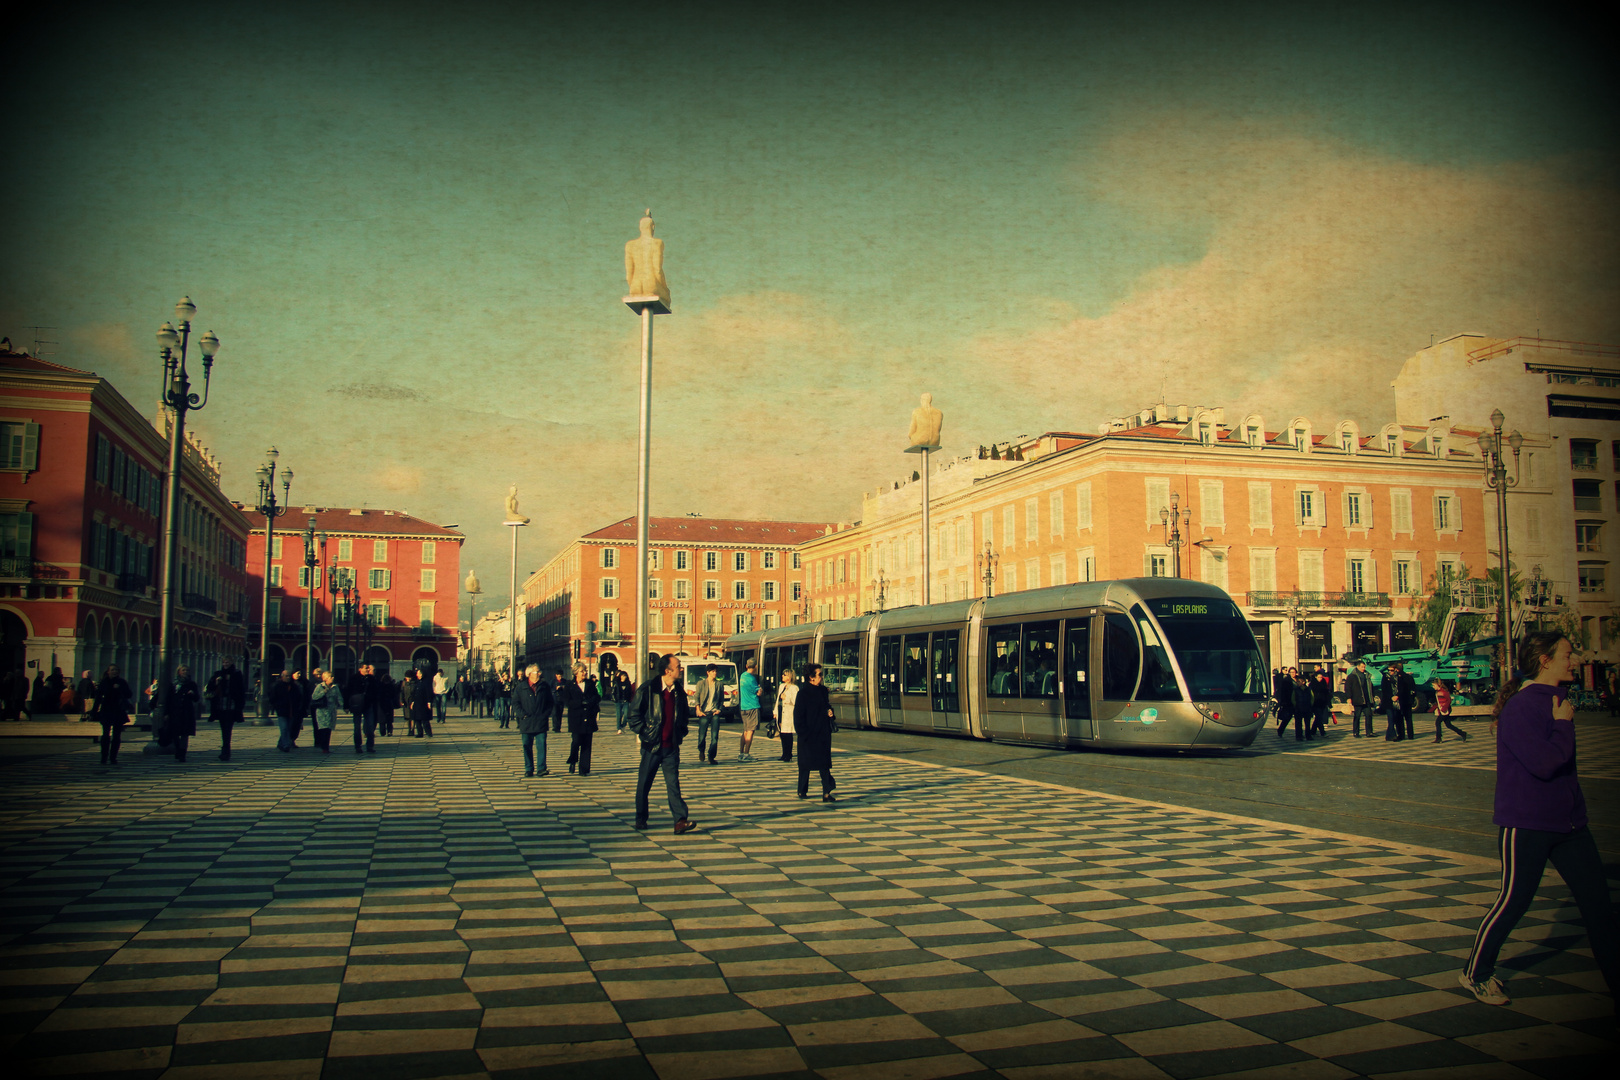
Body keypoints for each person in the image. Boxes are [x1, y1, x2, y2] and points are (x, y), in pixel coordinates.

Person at [1460, 631, 1619, 1011]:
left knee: (1600, 909)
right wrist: (1563, 725)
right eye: (1567, 653)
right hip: (1527, 824)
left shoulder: (1557, 700)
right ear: (1545, 660)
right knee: (1514, 901)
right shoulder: (1522, 707)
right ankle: (1476, 973)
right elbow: (1545, 764)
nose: (1575, 659)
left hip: (1569, 826)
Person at [627, 654, 696, 834]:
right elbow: (633, 716)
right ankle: (641, 818)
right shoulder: (648, 689)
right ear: (668, 670)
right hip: (652, 746)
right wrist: (645, 733)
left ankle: (680, 820)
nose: (681, 669)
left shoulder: (679, 691)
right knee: (644, 783)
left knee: (673, 783)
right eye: (678, 666)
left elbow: (683, 716)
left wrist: (680, 733)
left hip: (671, 747)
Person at [794, 663, 837, 801]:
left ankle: (826, 792)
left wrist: (830, 712)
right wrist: (803, 733)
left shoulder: (823, 691)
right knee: (805, 764)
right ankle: (802, 790)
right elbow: (798, 716)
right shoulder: (803, 693)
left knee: (824, 764)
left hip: (822, 733)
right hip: (808, 734)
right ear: (811, 677)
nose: (822, 677)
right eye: (819, 674)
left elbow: (826, 706)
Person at [512, 664, 553, 777]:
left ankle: (541, 768)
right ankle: (529, 768)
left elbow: (550, 702)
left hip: (541, 721)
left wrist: (546, 714)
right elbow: (515, 703)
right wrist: (522, 714)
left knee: (541, 746)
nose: (539, 673)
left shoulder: (544, 686)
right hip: (527, 721)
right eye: (537, 672)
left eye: (539, 671)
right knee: (527, 746)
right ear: (529, 674)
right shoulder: (521, 687)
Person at [91, 664, 133, 766]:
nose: (115, 672)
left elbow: (129, 694)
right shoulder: (104, 682)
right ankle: (104, 756)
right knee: (105, 734)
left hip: (118, 711)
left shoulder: (122, 682)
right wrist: (94, 711)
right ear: (108, 672)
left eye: (116, 670)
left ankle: (113, 757)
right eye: (113, 670)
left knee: (117, 735)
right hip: (106, 710)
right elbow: (98, 698)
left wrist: (120, 689)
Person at [563, 661, 601, 775]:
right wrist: (580, 702)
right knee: (576, 741)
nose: (584, 673)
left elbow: (597, 697)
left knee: (586, 744)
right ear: (576, 673)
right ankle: (573, 760)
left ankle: (584, 769)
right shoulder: (570, 685)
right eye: (582, 671)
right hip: (576, 718)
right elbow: (566, 701)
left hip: (588, 717)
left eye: (585, 671)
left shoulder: (590, 684)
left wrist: (590, 703)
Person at [205, 658, 247, 761]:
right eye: (224, 662)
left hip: (231, 706)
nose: (225, 664)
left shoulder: (236, 674)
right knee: (224, 729)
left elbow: (240, 689)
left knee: (228, 729)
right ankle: (225, 749)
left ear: (232, 663)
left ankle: (225, 751)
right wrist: (216, 682)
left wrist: (240, 705)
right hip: (220, 706)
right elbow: (210, 687)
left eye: (227, 662)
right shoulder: (218, 674)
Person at [167, 664, 202, 763]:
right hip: (175, 711)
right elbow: (169, 698)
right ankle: (177, 749)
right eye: (183, 670)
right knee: (175, 733)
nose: (185, 672)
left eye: (187, 670)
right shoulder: (173, 684)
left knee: (185, 734)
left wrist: (192, 694)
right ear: (179, 672)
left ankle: (182, 753)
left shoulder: (192, 684)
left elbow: (197, 699)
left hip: (187, 711)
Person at [346, 662, 378, 754]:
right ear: (360, 669)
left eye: (368, 668)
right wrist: (346, 706)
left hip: (368, 704)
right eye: (366, 668)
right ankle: (358, 746)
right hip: (357, 705)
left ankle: (370, 746)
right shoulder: (353, 678)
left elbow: (376, 691)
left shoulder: (371, 679)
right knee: (357, 726)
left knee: (370, 726)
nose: (368, 670)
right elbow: (347, 691)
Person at [694, 664, 723, 765]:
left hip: (714, 712)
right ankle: (701, 750)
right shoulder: (701, 684)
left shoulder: (719, 684)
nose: (715, 673)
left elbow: (721, 699)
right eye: (713, 671)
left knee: (714, 736)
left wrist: (719, 709)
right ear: (708, 672)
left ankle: (711, 756)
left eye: (716, 671)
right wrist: (698, 709)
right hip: (704, 713)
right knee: (702, 736)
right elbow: (696, 697)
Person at [269, 670, 305, 751]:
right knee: (284, 728)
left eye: (289, 676)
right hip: (282, 711)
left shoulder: (294, 686)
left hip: (292, 711)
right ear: (282, 676)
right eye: (286, 676)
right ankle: (286, 745)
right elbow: (272, 698)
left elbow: (299, 697)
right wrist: (277, 706)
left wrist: (297, 706)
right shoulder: (277, 686)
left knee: (288, 728)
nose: (288, 678)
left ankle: (280, 743)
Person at [310, 670, 340, 753]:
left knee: (328, 729)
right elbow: (314, 697)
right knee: (323, 729)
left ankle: (326, 746)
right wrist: (324, 692)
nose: (332, 678)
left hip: (331, 711)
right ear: (325, 678)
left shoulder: (335, 687)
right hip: (322, 711)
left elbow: (339, 697)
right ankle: (324, 746)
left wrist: (344, 706)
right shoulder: (320, 687)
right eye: (331, 677)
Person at [737, 657, 761, 761]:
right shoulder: (752, 678)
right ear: (755, 667)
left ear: (747, 666)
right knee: (750, 731)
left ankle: (741, 752)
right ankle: (746, 753)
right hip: (752, 706)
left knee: (745, 730)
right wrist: (760, 689)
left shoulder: (742, 676)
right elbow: (758, 692)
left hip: (743, 707)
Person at [1346, 660, 1375, 738]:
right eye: (1362, 667)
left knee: (1369, 715)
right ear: (1358, 667)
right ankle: (1356, 732)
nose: (1363, 668)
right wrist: (1349, 697)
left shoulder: (1367, 675)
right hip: (1357, 699)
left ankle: (1369, 732)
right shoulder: (1352, 676)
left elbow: (1371, 687)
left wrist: (1372, 697)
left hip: (1367, 699)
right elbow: (1348, 687)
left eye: (1364, 667)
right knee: (1357, 716)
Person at [774, 667, 798, 761]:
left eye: (785, 675)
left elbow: (796, 701)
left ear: (789, 677)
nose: (782, 676)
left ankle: (789, 754)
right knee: (782, 734)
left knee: (788, 734)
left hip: (788, 713)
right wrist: (775, 711)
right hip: (780, 713)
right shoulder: (781, 686)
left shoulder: (794, 688)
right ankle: (784, 753)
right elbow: (777, 700)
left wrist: (786, 698)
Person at [1289, 669, 1314, 741]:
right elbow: (1293, 698)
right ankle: (1299, 736)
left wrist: (1310, 705)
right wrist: (1296, 705)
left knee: (1307, 723)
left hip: (1307, 708)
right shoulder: (1296, 690)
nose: (1298, 683)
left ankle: (1308, 736)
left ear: (1303, 682)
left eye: (1299, 682)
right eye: (1297, 682)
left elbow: (1312, 698)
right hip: (1298, 708)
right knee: (1298, 724)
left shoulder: (1308, 689)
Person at [1381, 666, 1403, 741]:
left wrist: (1397, 696)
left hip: (1397, 701)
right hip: (1388, 701)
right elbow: (1384, 689)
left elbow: (1401, 688)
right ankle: (1392, 735)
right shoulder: (1385, 677)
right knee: (1391, 718)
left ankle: (1388, 735)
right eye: (1389, 670)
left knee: (1395, 718)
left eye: (1392, 670)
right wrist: (1391, 697)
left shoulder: (1398, 678)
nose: (1390, 672)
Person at [1310, 670, 1333, 738]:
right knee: (1319, 717)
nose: (1320, 679)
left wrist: (1329, 703)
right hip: (1315, 703)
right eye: (1319, 677)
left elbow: (1326, 693)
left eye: (1321, 677)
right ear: (1316, 677)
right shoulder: (1312, 684)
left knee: (1318, 718)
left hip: (1323, 703)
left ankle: (1313, 731)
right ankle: (1322, 732)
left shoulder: (1323, 683)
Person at [1273, 668, 1293, 738]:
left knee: (1299, 718)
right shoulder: (1286, 681)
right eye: (1291, 672)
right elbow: (1282, 692)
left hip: (1297, 701)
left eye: (1294, 672)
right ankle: (1280, 730)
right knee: (1287, 718)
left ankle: (1299, 734)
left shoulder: (1298, 680)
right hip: (1288, 702)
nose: (1293, 674)